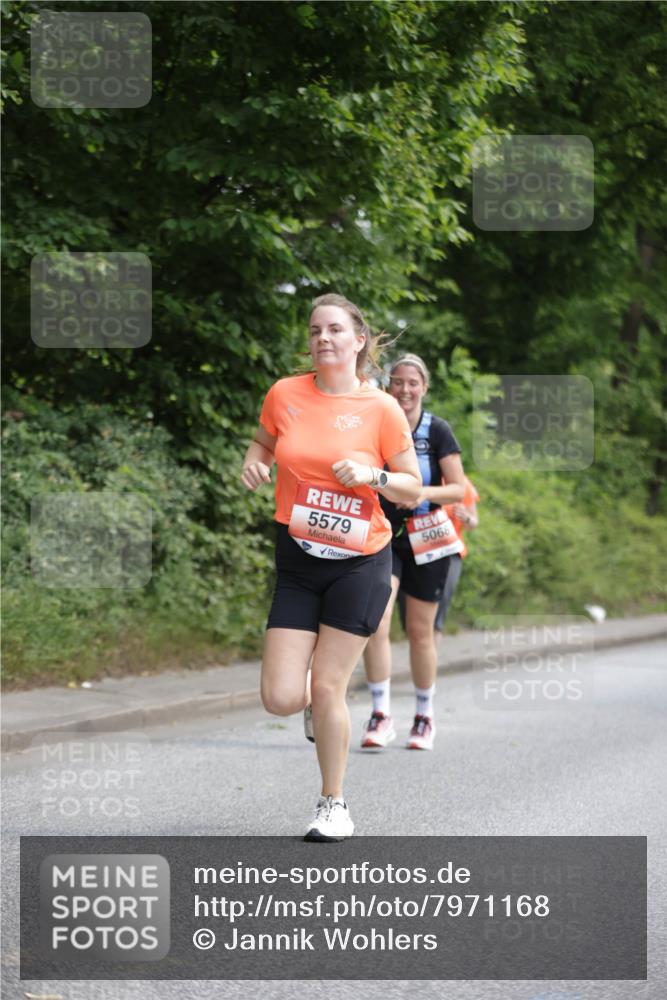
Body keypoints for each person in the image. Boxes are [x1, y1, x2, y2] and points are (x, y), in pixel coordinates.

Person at [241, 294, 421, 841]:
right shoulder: (285, 394)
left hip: (361, 561)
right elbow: (263, 443)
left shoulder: (382, 409)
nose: (324, 338)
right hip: (298, 560)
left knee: (329, 687)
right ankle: (314, 712)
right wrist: (255, 461)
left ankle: (332, 804)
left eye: (336, 329)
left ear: (358, 340)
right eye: (316, 329)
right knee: (281, 696)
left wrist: (374, 477)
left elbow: (411, 487)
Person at [361, 353, 465, 752]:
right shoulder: (377, 424)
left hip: (427, 534)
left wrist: (418, 492)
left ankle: (424, 717)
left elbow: (457, 488)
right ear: (388, 386)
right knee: (377, 621)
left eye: (412, 383)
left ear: (424, 387)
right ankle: (380, 714)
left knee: (421, 632)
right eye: (397, 382)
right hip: (384, 534)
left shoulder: (437, 430)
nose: (404, 390)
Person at [398, 474, 480, 634]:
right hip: (413, 549)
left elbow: (473, 522)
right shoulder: (416, 475)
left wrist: (466, 518)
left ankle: (431, 652)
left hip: (448, 551)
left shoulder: (460, 483)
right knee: (410, 616)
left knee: (435, 614)